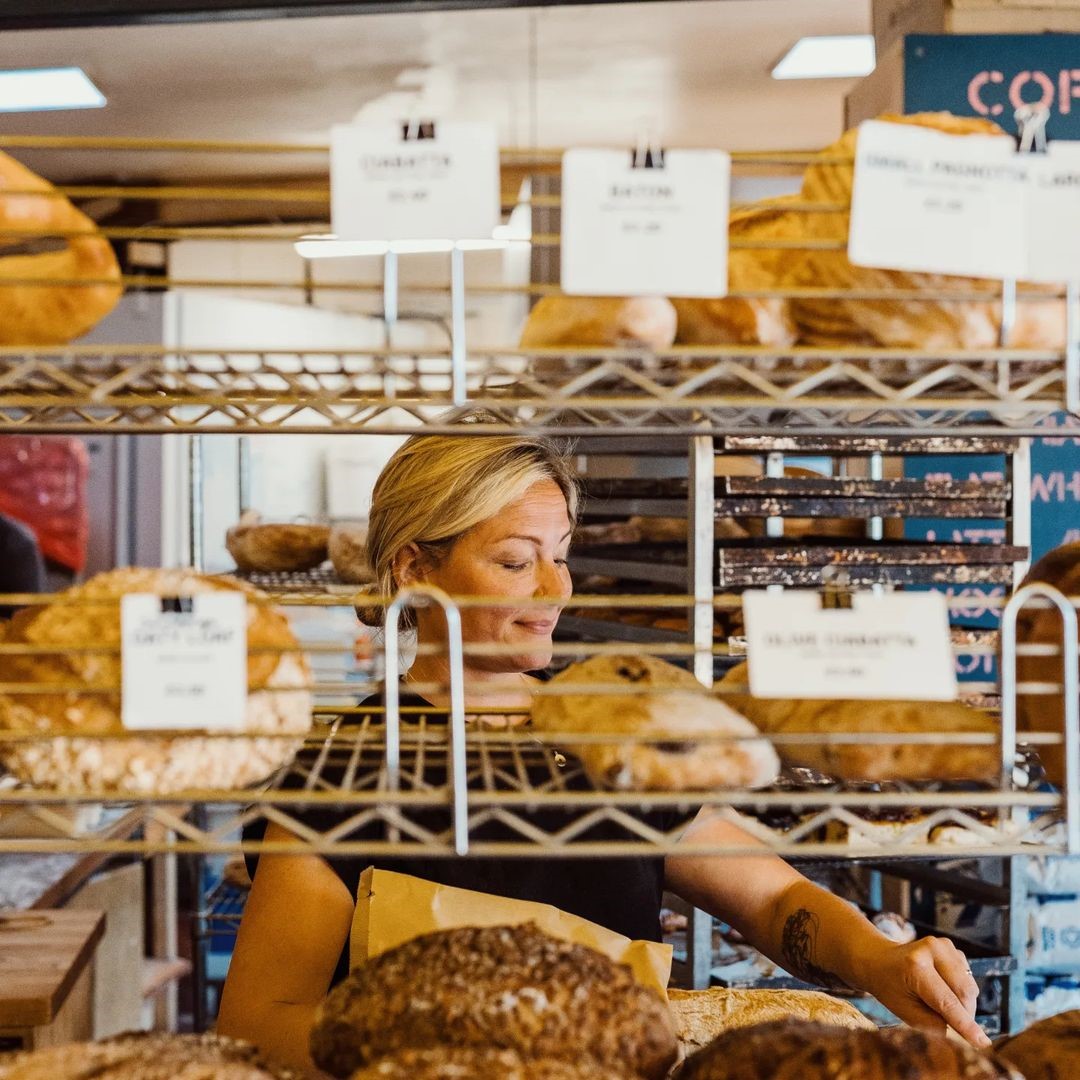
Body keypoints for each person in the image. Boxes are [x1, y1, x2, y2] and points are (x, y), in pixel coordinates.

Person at [218, 427, 989, 1076]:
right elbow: (259, 1024)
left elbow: (774, 902)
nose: (555, 589)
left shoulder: (617, 738)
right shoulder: (347, 764)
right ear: (415, 569)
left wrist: (881, 961)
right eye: (516, 562)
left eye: (562, 554)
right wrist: (452, 1057)